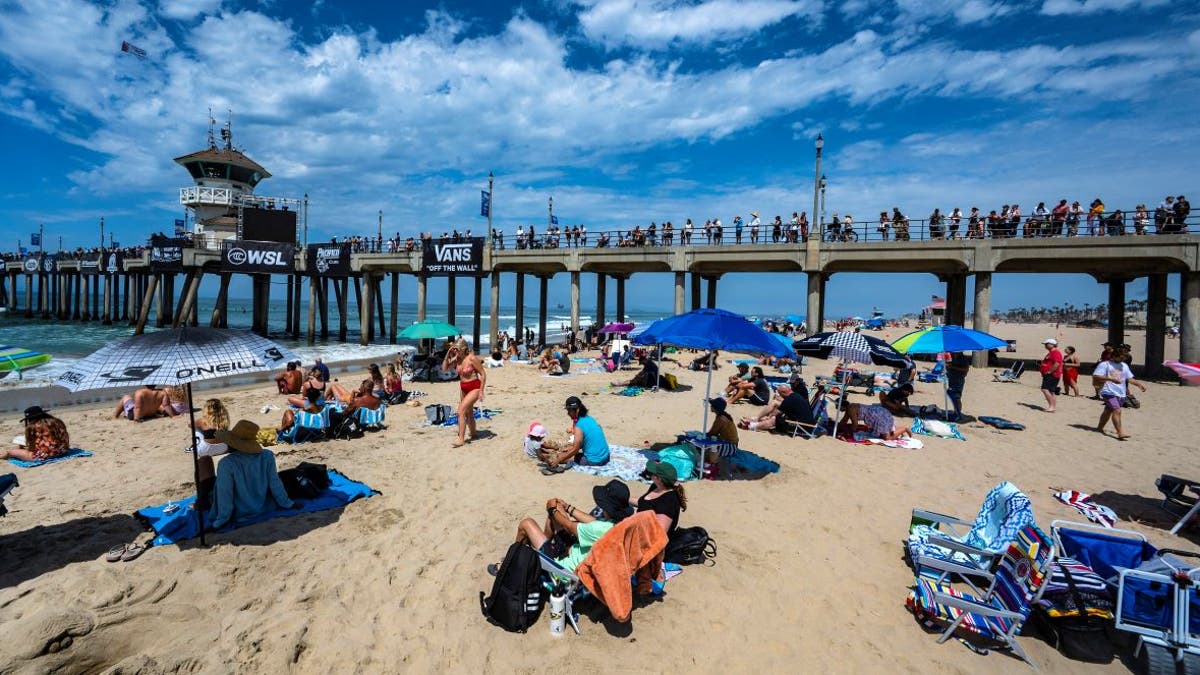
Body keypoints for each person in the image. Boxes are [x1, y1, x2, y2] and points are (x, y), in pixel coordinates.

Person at [488, 480, 632, 576]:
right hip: (577, 554)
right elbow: (592, 521)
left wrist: (552, 510)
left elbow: (569, 526)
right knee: (556, 513)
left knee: (526, 524)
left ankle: (509, 565)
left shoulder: (598, 530)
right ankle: (542, 548)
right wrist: (567, 508)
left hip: (563, 569)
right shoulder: (618, 525)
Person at [206, 420, 295, 530]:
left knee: (206, 470)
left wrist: (221, 520)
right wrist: (287, 503)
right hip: (263, 506)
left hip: (239, 512)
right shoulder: (266, 456)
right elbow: (275, 483)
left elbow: (225, 494)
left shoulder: (227, 464)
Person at [539, 396, 609, 471]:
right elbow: (589, 436)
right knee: (568, 451)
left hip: (596, 460)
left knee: (560, 456)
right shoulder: (589, 418)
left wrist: (558, 460)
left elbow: (575, 449)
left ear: (577, 410)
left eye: (569, 410)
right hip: (605, 456)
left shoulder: (579, 425)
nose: (568, 413)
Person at [1093, 347, 1147, 440]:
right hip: (1108, 391)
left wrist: (1138, 384)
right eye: (1121, 358)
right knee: (1117, 410)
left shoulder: (1124, 366)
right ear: (1114, 356)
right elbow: (1096, 376)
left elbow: (1129, 378)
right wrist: (1110, 379)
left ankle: (1099, 428)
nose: (1122, 360)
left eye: (1124, 358)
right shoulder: (1105, 364)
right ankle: (1120, 433)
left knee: (1108, 410)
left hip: (1120, 393)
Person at [444, 338, 486, 447]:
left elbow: (483, 374)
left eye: (457, 349)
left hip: (474, 387)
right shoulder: (457, 358)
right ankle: (473, 433)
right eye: (454, 350)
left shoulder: (471, 358)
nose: (455, 351)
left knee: (460, 411)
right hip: (463, 388)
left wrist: (481, 391)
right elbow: (444, 368)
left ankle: (461, 439)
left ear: (464, 349)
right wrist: (448, 352)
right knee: (468, 412)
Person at [193, 398, 231, 508]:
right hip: (223, 447)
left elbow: (190, 425)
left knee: (197, 431)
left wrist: (199, 427)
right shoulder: (224, 419)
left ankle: (203, 497)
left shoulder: (203, 421)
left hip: (206, 449)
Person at [632, 460, 687, 534]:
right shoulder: (656, 487)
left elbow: (660, 532)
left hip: (645, 537)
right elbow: (644, 503)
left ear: (658, 478)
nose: (650, 474)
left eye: (652, 473)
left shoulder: (669, 500)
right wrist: (625, 497)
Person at [2, 406, 70, 462]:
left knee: (11, 452)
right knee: (20, 447)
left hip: (45, 457)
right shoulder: (57, 421)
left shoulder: (33, 427)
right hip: (63, 451)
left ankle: (4, 455)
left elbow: (32, 447)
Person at [738, 381, 812, 431]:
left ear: (784, 392)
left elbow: (776, 413)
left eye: (780, 393)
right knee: (775, 403)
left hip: (803, 426)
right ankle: (756, 419)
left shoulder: (789, 400)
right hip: (800, 419)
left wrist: (768, 417)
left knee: (774, 419)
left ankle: (752, 426)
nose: (780, 395)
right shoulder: (794, 396)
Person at [838, 401, 911, 441]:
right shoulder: (851, 407)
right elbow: (844, 420)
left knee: (887, 438)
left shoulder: (850, 410)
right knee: (883, 434)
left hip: (877, 417)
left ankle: (904, 429)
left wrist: (849, 435)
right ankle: (899, 430)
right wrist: (838, 428)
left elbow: (855, 425)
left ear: (842, 406)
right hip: (878, 412)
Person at [945, 352, 971, 421]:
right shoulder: (953, 357)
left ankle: (958, 414)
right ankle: (956, 412)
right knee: (953, 396)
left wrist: (952, 367)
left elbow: (966, 369)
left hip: (958, 380)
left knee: (957, 397)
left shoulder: (963, 358)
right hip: (952, 379)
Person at [1039, 338, 1063, 413]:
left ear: (1052, 344)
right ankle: (1052, 407)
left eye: (1046, 344)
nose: (1045, 346)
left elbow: (1057, 363)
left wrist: (1049, 371)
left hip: (1052, 374)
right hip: (1050, 374)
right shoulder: (1051, 352)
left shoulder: (1055, 352)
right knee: (1051, 391)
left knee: (1045, 389)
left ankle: (1052, 406)